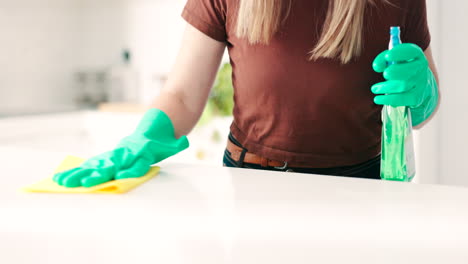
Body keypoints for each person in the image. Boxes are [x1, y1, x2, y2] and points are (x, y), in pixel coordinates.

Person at [54, 0, 439, 187]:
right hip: (251, 181)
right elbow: (184, 96)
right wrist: (144, 136)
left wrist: (422, 96)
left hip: (360, 186)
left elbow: (421, 111)